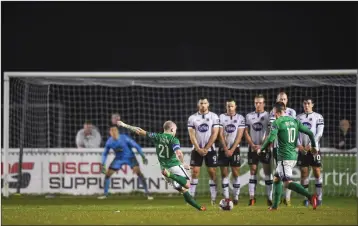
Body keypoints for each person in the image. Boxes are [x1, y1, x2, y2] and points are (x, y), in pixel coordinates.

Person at [118, 120, 207, 211]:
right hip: (174, 167)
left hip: (164, 168)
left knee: (183, 190)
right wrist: (183, 164)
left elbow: (139, 131)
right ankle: (170, 175)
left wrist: (124, 125)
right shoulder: (173, 139)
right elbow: (179, 153)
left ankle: (199, 207)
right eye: (175, 130)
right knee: (188, 185)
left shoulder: (157, 136)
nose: (175, 132)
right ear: (172, 129)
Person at [258, 101, 318, 211]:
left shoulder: (277, 122)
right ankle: (274, 206)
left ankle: (310, 196)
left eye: (273, 112)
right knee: (276, 179)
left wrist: (261, 149)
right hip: (293, 155)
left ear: (276, 112)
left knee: (287, 183)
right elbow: (310, 133)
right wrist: (314, 146)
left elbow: (271, 139)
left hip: (284, 157)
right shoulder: (295, 120)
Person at [98, 125, 153, 200]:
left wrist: (143, 156)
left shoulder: (124, 138)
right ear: (110, 133)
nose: (113, 132)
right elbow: (105, 153)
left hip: (130, 158)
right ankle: (105, 194)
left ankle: (148, 193)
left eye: (115, 130)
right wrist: (103, 164)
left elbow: (136, 146)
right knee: (107, 175)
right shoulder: (109, 142)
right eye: (112, 131)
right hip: (118, 159)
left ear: (117, 131)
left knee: (139, 173)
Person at [187, 97, 220, 205]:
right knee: (195, 172)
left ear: (208, 104)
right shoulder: (192, 118)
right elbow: (192, 136)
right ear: (198, 105)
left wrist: (206, 148)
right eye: (201, 103)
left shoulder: (214, 117)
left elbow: (215, 134)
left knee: (212, 172)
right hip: (196, 150)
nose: (203, 105)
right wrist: (198, 149)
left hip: (210, 150)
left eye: (205, 103)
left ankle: (213, 199)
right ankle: (191, 198)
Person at [244, 94, 272, 206]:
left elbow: (270, 131)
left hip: (264, 148)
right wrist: (252, 144)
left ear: (264, 103)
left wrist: (262, 145)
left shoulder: (269, 115)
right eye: (256, 103)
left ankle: (269, 198)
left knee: (267, 173)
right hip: (252, 148)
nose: (258, 104)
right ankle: (252, 198)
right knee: (253, 171)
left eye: (260, 102)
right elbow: (246, 131)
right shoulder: (249, 116)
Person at [270, 92, 296, 206]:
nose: (283, 101)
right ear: (277, 100)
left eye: (284, 99)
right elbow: (273, 129)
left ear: (287, 100)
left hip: (289, 148)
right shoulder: (273, 111)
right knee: (277, 174)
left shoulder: (292, 112)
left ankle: (287, 198)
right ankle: (277, 198)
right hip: (277, 147)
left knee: (286, 175)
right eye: (281, 99)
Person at [296, 97, 324, 206]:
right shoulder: (298, 118)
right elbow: (296, 133)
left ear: (312, 105)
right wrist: (299, 145)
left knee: (317, 172)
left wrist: (311, 145)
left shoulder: (318, 117)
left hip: (314, 150)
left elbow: (319, 133)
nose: (306, 105)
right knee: (304, 173)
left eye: (308, 103)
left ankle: (319, 197)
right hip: (302, 150)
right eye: (304, 103)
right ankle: (306, 199)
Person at [218, 99, 245, 205]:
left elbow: (239, 135)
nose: (230, 108)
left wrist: (232, 150)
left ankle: (236, 196)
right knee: (224, 174)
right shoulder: (221, 117)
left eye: (232, 106)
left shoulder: (240, 118)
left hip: (235, 149)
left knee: (235, 173)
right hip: (222, 149)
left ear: (235, 106)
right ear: (226, 106)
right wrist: (226, 149)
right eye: (228, 106)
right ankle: (227, 198)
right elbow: (220, 135)